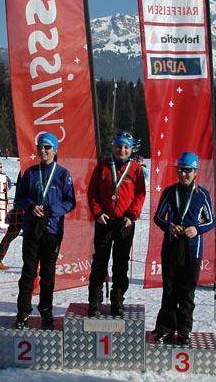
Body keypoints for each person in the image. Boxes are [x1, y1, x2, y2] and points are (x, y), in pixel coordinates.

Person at [152, 151, 215, 346]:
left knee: (187, 292)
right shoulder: (170, 192)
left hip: (192, 250)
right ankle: (165, 329)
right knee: (170, 290)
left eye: (187, 170)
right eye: (180, 170)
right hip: (171, 247)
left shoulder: (202, 195)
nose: (183, 174)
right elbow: (158, 218)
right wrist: (169, 226)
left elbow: (211, 221)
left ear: (196, 172)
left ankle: (184, 331)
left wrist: (197, 229)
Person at [14, 132, 76, 330]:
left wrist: (51, 210)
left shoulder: (63, 174)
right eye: (40, 147)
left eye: (47, 147)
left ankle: (46, 311)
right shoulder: (30, 173)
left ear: (55, 150)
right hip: (32, 229)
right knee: (28, 272)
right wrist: (31, 206)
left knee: (48, 274)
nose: (43, 150)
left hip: (52, 230)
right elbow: (19, 198)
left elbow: (70, 201)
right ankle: (23, 312)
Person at [86, 130, 146, 317]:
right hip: (104, 221)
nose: (122, 150)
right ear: (113, 147)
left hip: (124, 224)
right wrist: (97, 213)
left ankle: (117, 300)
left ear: (131, 149)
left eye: (126, 147)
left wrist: (132, 215)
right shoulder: (102, 166)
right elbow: (92, 192)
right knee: (99, 262)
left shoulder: (136, 169)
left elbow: (140, 195)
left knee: (121, 264)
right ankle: (95, 301)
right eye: (119, 146)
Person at [0, 162, 20, 270]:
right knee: (10, 235)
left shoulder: (5, 175)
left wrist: (8, 188)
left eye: (0, 167)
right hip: (22, 209)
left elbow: (10, 183)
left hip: (25, 208)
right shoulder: (28, 171)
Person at [0, 161, 13, 229]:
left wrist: (8, 188)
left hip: (3, 195)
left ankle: (4, 223)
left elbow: (9, 182)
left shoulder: (4, 176)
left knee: (3, 209)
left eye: (0, 167)